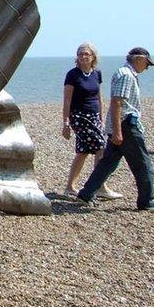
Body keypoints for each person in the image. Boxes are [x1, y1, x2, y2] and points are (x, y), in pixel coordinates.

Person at [77, 47, 154, 212]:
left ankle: (86, 193)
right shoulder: (126, 74)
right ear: (139, 59)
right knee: (143, 164)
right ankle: (147, 202)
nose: (147, 67)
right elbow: (117, 102)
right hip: (126, 126)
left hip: (121, 125)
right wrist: (118, 131)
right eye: (147, 63)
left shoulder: (126, 73)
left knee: (108, 163)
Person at [61, 43, 121, 199]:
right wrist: (66, 123)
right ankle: (100, 185)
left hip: (94, 116)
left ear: (93, 56)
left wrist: (101, 117)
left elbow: (98, 96)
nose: (83, 56)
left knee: (83, 151)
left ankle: (70, 187)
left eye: (86, 54)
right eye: (80, 54)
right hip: (79, 116)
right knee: (101, 147)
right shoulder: (73, 75)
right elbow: (67, 100)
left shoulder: (97, 73)